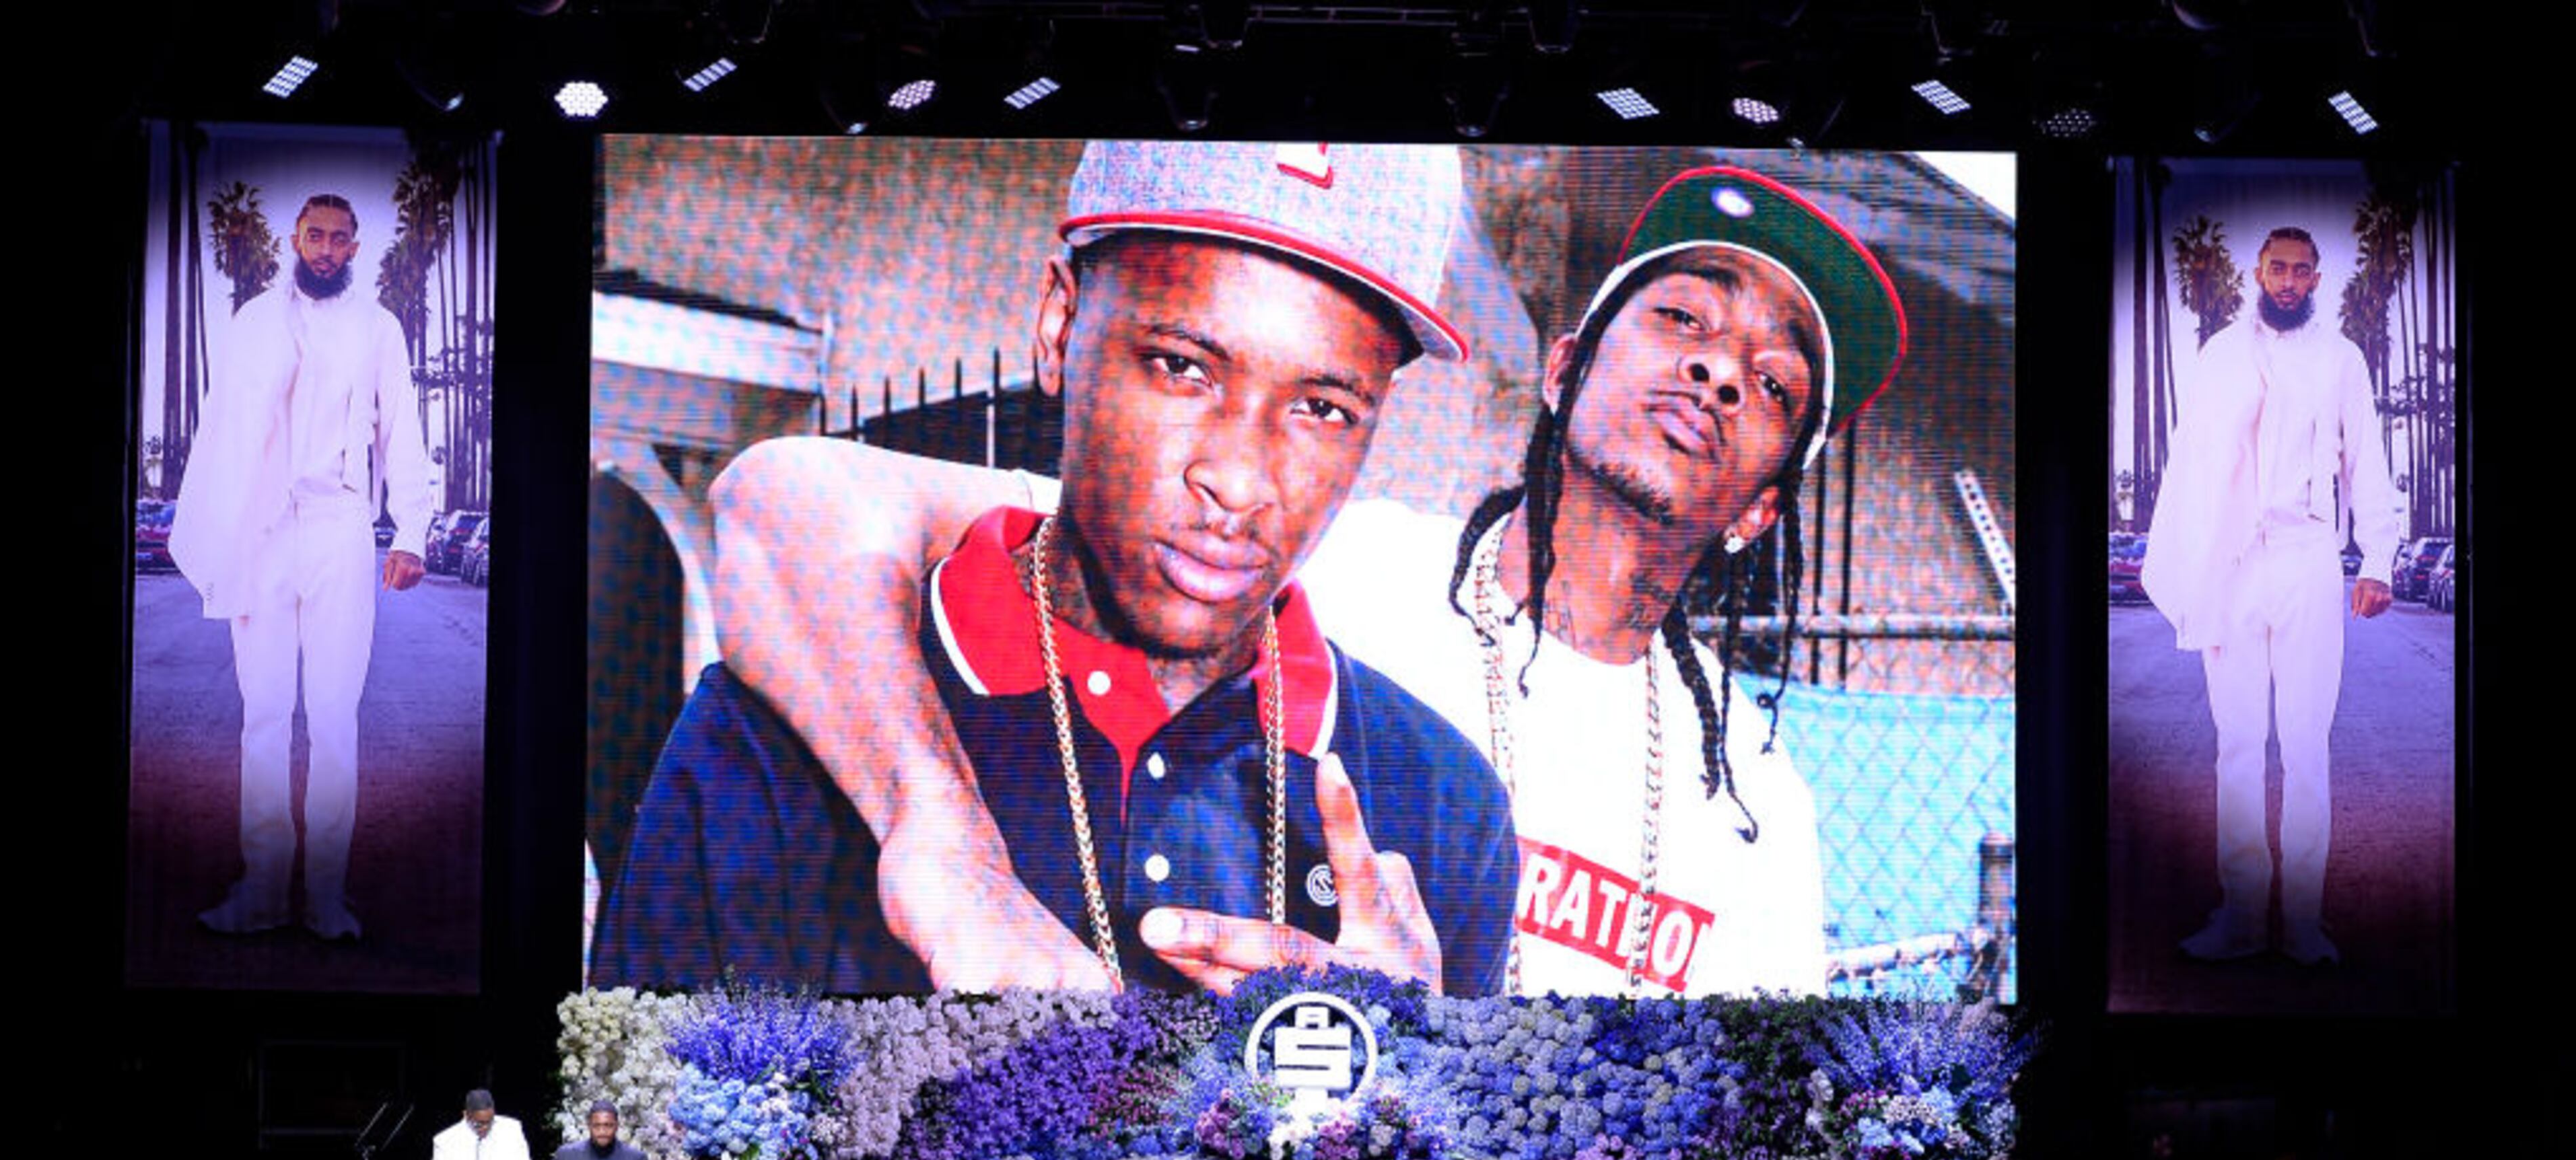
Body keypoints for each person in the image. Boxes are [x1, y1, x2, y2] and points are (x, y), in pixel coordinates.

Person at [701, 164, 1906, 997]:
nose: (1717, 373)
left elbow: (1755, 1155)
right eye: (1682, 317)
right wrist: (945, 843)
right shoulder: (1321, 560)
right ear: (1562, 368)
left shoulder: (1756, 797)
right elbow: (793, 502)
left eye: (1776, 382)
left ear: (1759, 509)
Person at [590, 142, 1517, 996]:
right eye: (1182, 367)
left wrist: (1406, 1090)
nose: (1239, 480)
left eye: (1322, 407)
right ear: (1059, 323)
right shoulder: (791, 731)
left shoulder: (1441, 803)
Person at [170, 192, 435, 943]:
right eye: (314, 235)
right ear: (295, 238)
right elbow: (221, 428)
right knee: (262, 714)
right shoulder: (254, 321)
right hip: (261, 530)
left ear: (355, 248)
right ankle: (261, 891)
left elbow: (402, 431)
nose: (324, 248)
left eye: (338, 239)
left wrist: (410, 530)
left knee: (332, 717)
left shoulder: (377, 329)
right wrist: (219, 530)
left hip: (339, 528)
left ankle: (324, 896)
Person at [2143, 227, 2400, 967]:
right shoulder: (2219, 355)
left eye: (2300, 271)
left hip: (2308, 557)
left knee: (2307, 745)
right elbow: (2192, 466)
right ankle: (2244, 918)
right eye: (2276, 269)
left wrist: (2377, 558)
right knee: (2238, 742)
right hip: (2232, 562)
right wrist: (2193, 566)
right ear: (2258, 273)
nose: (2287, 281)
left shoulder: (2341, 360)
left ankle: (2304, 924)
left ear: (2317, 279)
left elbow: (2367, 462)